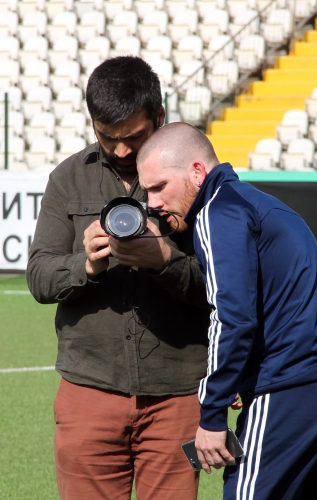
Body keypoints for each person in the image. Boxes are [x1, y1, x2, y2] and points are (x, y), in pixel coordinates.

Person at [136, 122, 317, 500]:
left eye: (159, 186)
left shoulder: (217, 212)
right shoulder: (262, 204)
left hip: (291, 390)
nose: (153, 202)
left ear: (197, 172)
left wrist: (211, 415)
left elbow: (232, 317)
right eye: (147, 191)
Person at [26, 58, 211, 500]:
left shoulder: (198, 180)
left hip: (177, 394)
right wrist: (85, 265)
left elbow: (225, 288)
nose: (122, 150)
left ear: (160, 117)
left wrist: (164, 259)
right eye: (108, 137)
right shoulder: (69, 178)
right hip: (89, 390)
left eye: (134, 137)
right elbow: (38, 275)